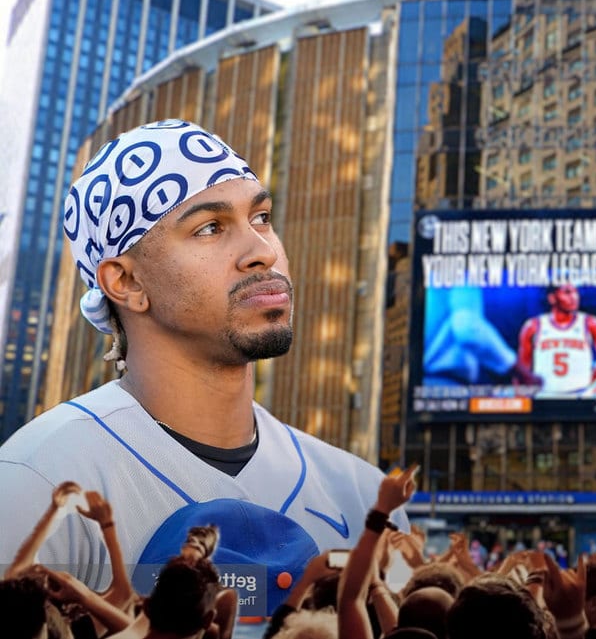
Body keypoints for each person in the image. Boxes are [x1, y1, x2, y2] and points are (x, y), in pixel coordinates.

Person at [0, 120, 408, 613]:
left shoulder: (364, 495)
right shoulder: (37, 483)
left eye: (262, 217)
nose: (263, 252)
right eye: (210, 228)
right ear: (126, 281)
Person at [516, 282, 596, 398]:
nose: (574, 297)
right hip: (545, 396)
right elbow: (522, 369)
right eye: (567, 292)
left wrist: (595, 381)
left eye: (576, 292)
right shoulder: (533, 326)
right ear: (552, 298)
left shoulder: (591, 323)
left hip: (580, 395)